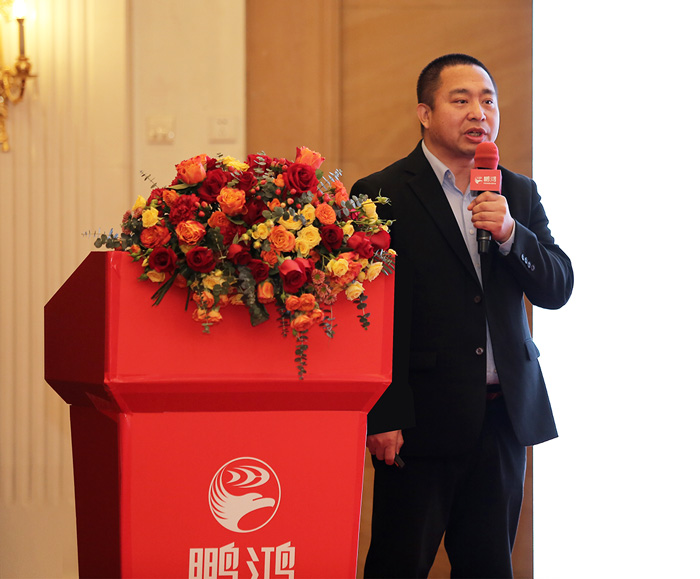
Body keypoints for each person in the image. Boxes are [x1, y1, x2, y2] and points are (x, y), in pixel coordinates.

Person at [351, 54, 574, 578]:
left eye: (488, 100)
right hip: (418, 424)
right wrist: (382, 413)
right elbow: (367, 316)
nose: (479, 112)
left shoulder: (517, 191)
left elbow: (557, 287)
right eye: (462, 100)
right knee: (398, 565)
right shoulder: (380, 194)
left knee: (489, 567)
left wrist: (511, 234)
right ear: (425, 113)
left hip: (501, 420)